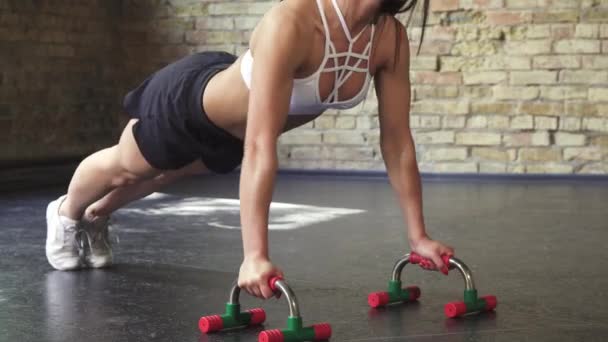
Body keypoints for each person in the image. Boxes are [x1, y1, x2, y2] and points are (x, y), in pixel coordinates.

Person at [46, 0, 453, 299]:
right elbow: (261, 144)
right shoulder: (293, 20)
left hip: (233, 131)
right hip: (190, 105)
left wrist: (418, 236)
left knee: (168, 173)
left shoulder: (390, 39)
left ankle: (97, 213)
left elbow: (397, 141)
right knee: (126, 167)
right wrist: (254, 256)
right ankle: (67, 212)